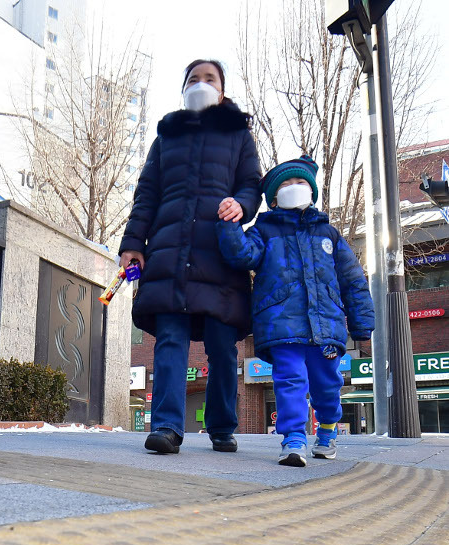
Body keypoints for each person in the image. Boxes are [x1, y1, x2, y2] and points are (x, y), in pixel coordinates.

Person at [118, 59, 261, 455]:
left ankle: (221, 426)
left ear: (223, 91)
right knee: (170, 340)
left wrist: (242, 205)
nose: (201, 84)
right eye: (193, 79)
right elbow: (146, 193)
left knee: (221, 345)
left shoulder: (239, 135)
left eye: (209, 78)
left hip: (219, 254)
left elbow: (252, 183)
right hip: (168, 252)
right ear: (183, 89)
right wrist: (133, 244)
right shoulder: (166, 136)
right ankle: (165, 426)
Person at [216, 155, 375, 466]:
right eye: (286, 184)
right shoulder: (264, 231)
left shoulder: (329, 234)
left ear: (312, 191)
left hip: (326, 329)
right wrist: (230, 225)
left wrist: (361, 323)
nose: (294, 187)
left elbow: (353, 280)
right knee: (290, 380)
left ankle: (327, 431)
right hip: (281, 326)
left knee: (328, 385)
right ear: (273, 197)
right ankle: (293, 439)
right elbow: (242, 255)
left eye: (300, 182)